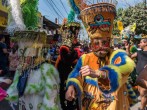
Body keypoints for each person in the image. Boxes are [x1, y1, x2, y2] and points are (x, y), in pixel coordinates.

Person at [65, 1, 135, 110]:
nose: (101, 46)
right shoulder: (85, 58)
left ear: (110, 41)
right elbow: (76, 74)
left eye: (104, 42)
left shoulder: (117, 55)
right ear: (91, 44)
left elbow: (128, 67)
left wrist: (100, 73)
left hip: (114, 104)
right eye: (96, 43)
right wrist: (71, 86)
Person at [127, 36, 147, 110]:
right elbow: (129, 57)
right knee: (142, 94)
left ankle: (142, 108)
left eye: (141, 42)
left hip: (145, 76)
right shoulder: (139, 52)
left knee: (143, 94)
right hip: (139, 76)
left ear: (146, 43)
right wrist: (127, 48)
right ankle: (143, 106)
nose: (139, 44)